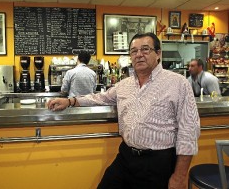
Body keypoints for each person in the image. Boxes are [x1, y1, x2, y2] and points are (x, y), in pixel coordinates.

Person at [48, 32, 200, 189]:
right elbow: (101, 98)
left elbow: (188, 131)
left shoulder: (178, 83)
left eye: (145, 49)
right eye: (134, 51)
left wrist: (179, 176)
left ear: (158, 53)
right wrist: (70, 101)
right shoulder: (124, 84)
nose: (139, 55)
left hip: (158, 163)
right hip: (126, 157)